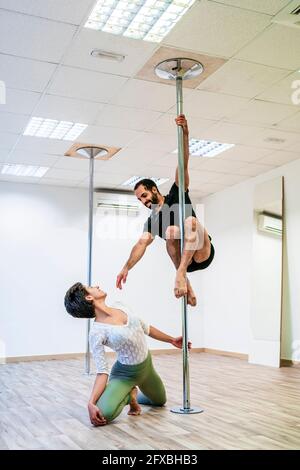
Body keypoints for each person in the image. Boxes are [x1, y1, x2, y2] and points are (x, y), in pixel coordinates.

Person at [116, 114, 215, 306]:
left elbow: (182, 162)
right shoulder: (152, 221)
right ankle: (183, 274)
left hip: (202, 253)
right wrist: (126, 267)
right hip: (184, 260)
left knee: (190, 223)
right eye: (139, 199)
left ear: (154, 189)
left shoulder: (176, 193)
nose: (143, 201)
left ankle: (181, 275)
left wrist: (185, 133)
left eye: (144, 196)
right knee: (171, 231)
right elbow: (140, 246)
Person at [64, 282, 190, 426]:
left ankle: (132, 393)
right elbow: (102, 371)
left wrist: (172, 340)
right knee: (103, 414)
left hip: (147, 369)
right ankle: (129, 396)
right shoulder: (97, 332)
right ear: (88, 297)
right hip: (124, 375)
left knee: (160, 401)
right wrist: (91, 402)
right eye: (91, 287)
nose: (97, 286)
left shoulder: (120, 305)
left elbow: (145, 328)